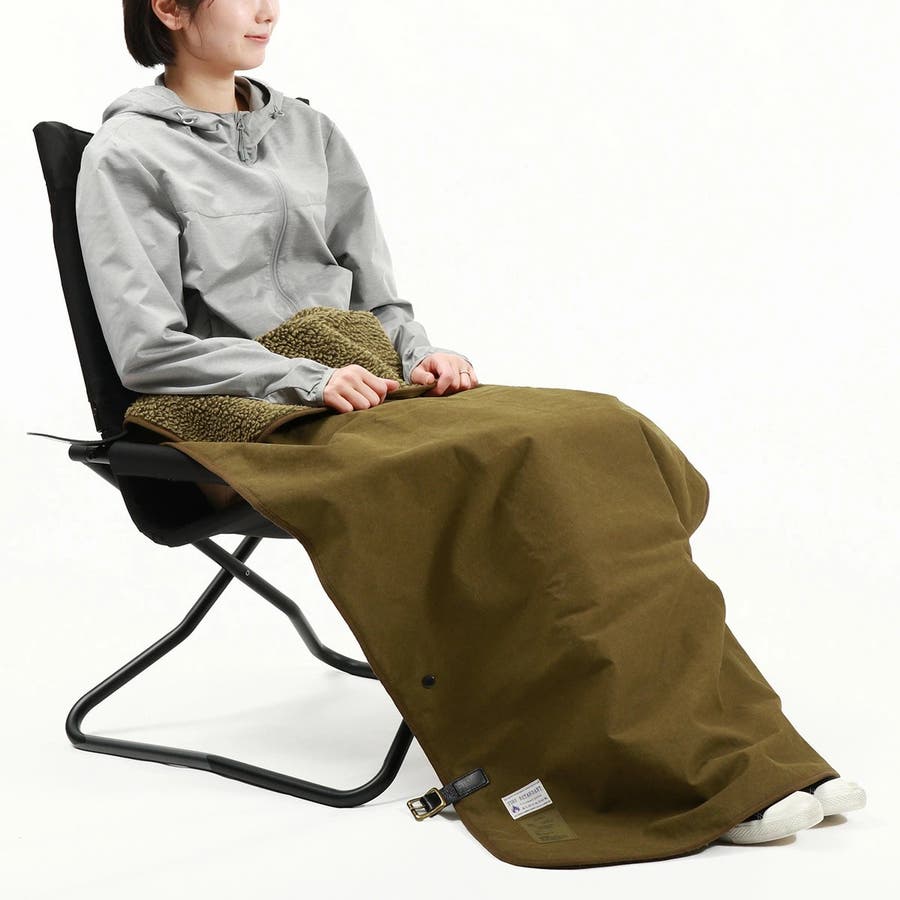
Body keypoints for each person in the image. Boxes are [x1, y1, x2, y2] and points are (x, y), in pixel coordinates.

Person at [75, 0, 865, 846]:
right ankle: (676, 775)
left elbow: (378, 295)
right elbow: (147, 350)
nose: (268, 9)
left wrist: (421, 353)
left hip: (370, 384)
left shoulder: (309, 133)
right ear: (170, 8)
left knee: (596, 429)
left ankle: (754, 751)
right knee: (509, 454)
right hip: (247, 414)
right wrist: (302, 379)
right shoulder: (128, 153)